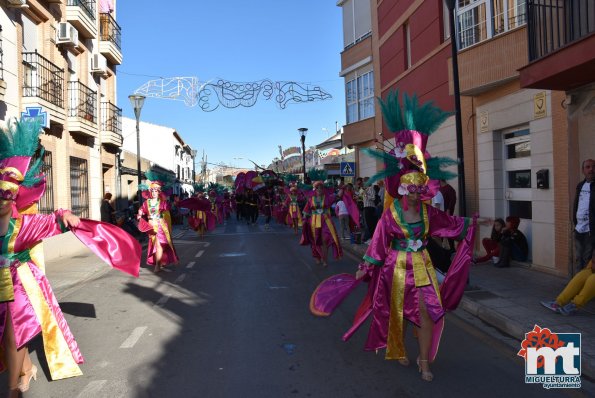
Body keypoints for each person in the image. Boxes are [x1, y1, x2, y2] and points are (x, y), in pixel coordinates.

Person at [341, 92, 480, 382]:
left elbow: (454, 224)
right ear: (403, 191)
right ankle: (399, 345)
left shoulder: (430, 214)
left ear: (424, 190)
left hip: (423, 267)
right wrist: (365, 267)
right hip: (396, 269)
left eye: (420, 190)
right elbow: (378, 245)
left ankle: (424, 361)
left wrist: (476, 223)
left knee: (428, 313)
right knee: (400, 315)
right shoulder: (390, 216)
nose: (416, 194)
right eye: (411, 190)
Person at [0, 120, 140, 397]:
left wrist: (64, 214)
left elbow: (55, 221)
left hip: (17, 285)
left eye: (6, 196)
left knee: (13, 335)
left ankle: (13, 389)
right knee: (9, 338)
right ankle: (26, 369)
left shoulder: (24, 227)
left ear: (14, 198)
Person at [137, 169, 180, 273]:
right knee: (156, 245)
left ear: (160, 191)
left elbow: (169, 209)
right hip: (151, 227)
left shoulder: (163, 202)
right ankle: (160, 263)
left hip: (161, 226)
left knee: (160, 245)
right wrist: (139, 215)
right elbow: (141, 210)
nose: (155, 192)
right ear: (150, 191)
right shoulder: (147, 202)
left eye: (157, 190)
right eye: (153, 190)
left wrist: (174, 203)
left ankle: (158, 265)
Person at [301, 181, 343, 266]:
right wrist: (304, 219)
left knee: (325, 240)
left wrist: (342, 188)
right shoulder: (311, 199)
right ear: (315, 189)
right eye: (317, 188)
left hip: (325, 221)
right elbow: (306, 211)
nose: (319, 189)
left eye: (321, 188)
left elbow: (338, 195)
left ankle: (324, 260)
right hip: (313, 222)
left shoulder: (327, 198)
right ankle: (317, 256)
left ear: (323, 189)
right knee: (315, 241)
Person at [573, 159, 595, 275]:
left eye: (593, 167)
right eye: (588, 167)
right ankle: (575, 284)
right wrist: (575, 223)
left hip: (590, 231)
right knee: (578, 259)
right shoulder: (580, 185)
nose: (591, 169)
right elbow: (576, 205)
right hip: (578, 229)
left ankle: (586, 288)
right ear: (583, 170)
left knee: (588, 260)